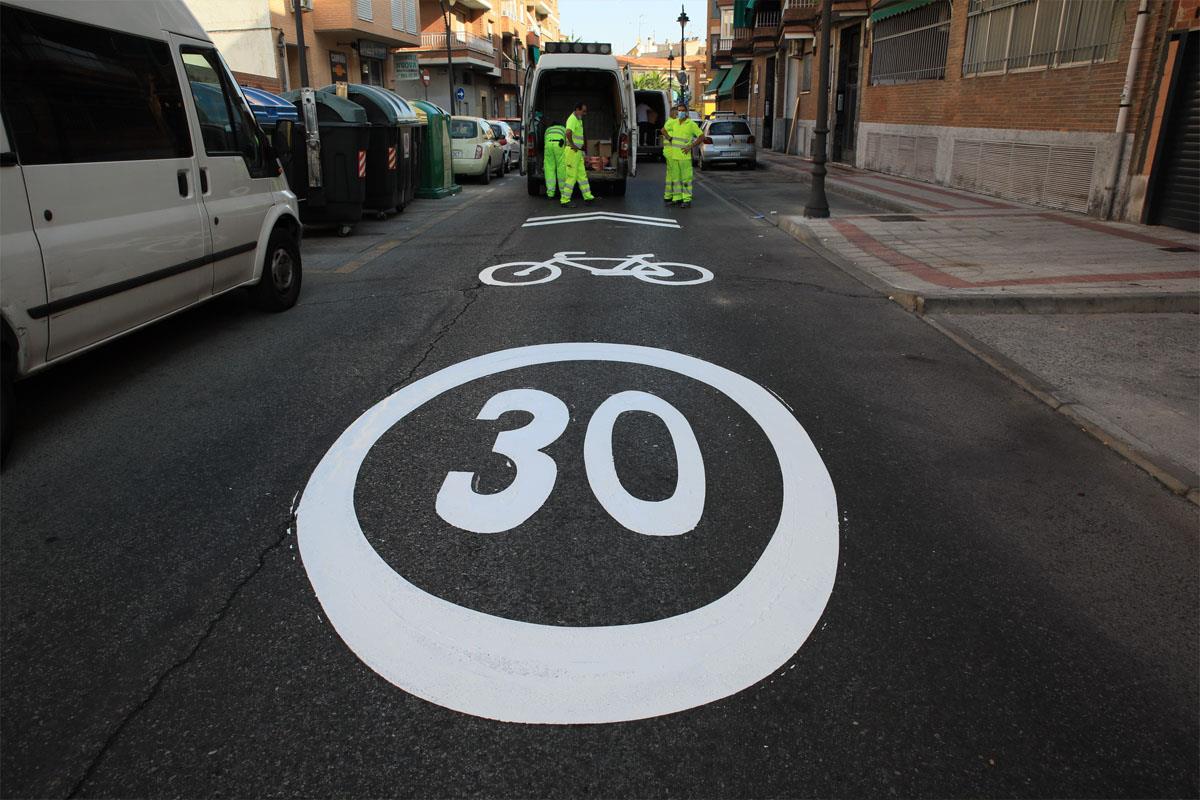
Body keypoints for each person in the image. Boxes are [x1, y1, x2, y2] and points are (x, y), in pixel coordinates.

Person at [661, 102, 703, 208]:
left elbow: (701, 137)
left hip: (684, 157)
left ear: (686, 112)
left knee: (686, 179)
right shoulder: (674, 122)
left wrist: (690, 146)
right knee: (676, 179)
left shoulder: (691, 124)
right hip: (674, 156)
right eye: (679, 110)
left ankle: (687, 200)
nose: (680, 112)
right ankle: (677, 198)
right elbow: (663, 130)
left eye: (683, 110)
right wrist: (669, 138)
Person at [560, 101, 595, 207]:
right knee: (571, 177)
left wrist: (580, 148)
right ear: (577, 110)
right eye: (583, 111)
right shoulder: (572, 119)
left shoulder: (578, 120)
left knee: (582, 176)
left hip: (577, 152)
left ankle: (588, 197)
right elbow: (568, 132)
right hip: (572, 151)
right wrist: (573, 145)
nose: (585, 113)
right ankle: (565, 200)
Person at [542, 119, 567, 199]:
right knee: (561, 168)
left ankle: (550, 193)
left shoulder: (548, 129)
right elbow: (567, 142)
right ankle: (563, 193)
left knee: (549, 168)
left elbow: (544, 141)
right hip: (559, 145)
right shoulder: (563, 129)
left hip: (548, 145)